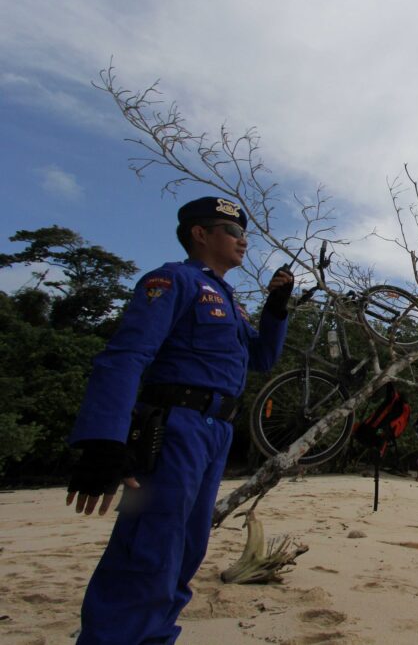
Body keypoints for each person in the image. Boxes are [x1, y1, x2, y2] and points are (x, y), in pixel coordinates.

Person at [65, 197, 294, 644]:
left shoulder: (229, 300)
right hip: (174, 427)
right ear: (200, 234)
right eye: (234, 232)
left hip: (215, 432)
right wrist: (104, 440)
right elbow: (125, 356)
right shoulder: (173, 280)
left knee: (187, 550)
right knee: (151, 546)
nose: (244, 242)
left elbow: (262, 358)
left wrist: (277, 308)